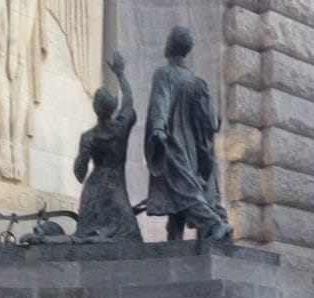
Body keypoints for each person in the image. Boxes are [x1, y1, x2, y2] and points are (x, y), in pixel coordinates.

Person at [144, 25, 233, 241]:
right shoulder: (197, 82)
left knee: (184, 191)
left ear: (170, 45)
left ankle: (215, 225)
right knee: (177, 197)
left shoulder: (164, 74)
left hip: (172, 144)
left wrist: (157, 128)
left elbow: (160, 102)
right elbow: (210, 121)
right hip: (191, 148)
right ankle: (174, 241)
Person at [73, 51, 142, 241]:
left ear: (95, 108)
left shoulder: (88, 138)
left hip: (94, 193)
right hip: (115, 190)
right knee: (129, 239)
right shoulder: (122, 127)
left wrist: (83, 155)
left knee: (87, 240)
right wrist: (120, 74)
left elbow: (79, 174)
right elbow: (128, 98)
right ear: (113, 108)